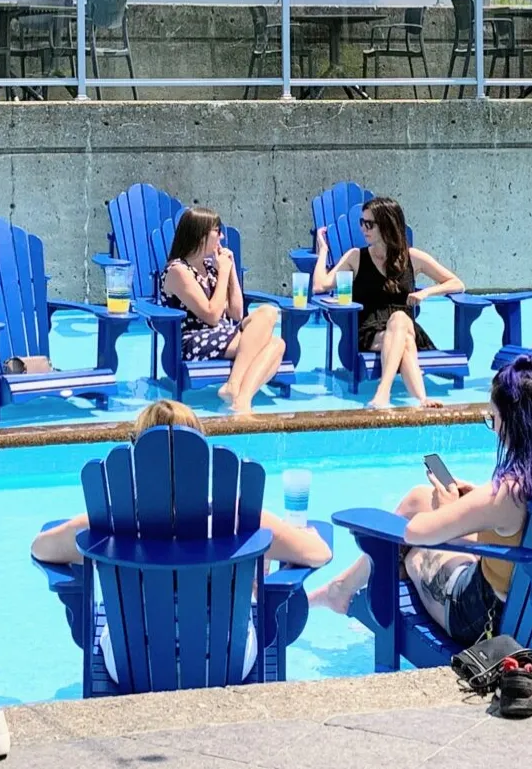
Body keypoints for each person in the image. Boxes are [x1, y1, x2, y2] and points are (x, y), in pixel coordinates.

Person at [31, 401, 332, 683]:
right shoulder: (243, 518)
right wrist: (300, 540)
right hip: (227, 663)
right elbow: (319, 553)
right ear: (202, 454)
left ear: (137, 455)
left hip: (132, 667)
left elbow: (40, 548)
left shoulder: (105, 522)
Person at [308, 355, 532, 645]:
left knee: (410, 549)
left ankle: (342, 591)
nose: (494, 428)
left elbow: (416, 532)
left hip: (481, 616)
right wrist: (473, 499)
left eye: (493, 418)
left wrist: (449, 508)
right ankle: (342, 588)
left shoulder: (507, 494)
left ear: (511, 422)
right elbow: (516, 527)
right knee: (419, 498)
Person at [311, 196, 464, 410]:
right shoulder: (356, 257)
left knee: (400, 321)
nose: (364, 229)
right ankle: (422, 399)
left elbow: (456, 283)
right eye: (362, 223)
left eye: (369, 224)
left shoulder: (412, 257)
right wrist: (323, 252)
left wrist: (426, 292)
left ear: (386, 224)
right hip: (370, 332)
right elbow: (320, 285)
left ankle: (383, 394)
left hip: (404, 326)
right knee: (405, 340)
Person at [161, 206, 284, 414]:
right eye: (217, 231)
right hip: (195, 340)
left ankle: (239, 394)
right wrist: (224, 272)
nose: (222, 236)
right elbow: (210, 316)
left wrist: (231, 269)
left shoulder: (210, 268)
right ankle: (239, 393)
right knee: (276, 344)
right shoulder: (178, 271)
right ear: (200, 235)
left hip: (223, 333)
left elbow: (236, 314)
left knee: (268, 312)